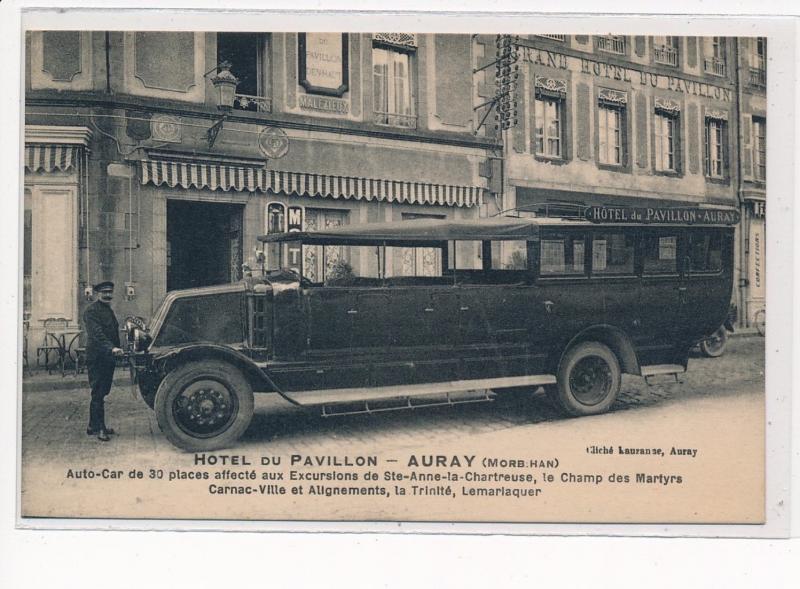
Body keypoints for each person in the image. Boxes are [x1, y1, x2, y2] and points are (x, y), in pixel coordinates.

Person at [83, 281, 123, 442]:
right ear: (97, 294)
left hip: (108, 357)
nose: (108, 295)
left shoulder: (108, 310)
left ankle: (93, 426)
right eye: (104, 292)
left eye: (110, 292)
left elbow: (112, 332)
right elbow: (97, 334)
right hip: (97, 357)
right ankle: (100, 429)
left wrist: (117, 349)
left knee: (102, 391)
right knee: (98, 392)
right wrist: (112, 348)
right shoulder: (91, 311)